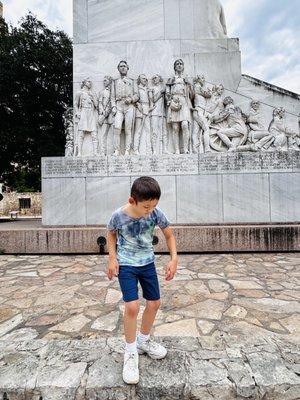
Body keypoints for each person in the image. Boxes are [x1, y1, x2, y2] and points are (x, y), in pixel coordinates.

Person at [106, 176, 178, 385]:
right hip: (127, 264)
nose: (150, 211)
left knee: (154, 303)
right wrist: (112, 258)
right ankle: (130, 352)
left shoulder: (156, 213)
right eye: (146, 207)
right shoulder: (118, 216)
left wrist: (174, 259)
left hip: (147, 263)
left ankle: (143, 341)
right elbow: (110, 234)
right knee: (132, 306)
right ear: (132, 201)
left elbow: (169, 235)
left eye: (153, 206)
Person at [111, 61, 139, 156]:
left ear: (128, 68)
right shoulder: (114, 82)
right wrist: (113, 106)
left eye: (124, 66)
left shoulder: (132, 81)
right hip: (119, 105)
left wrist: (131, 99)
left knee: (128, 129)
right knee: (117, 128)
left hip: (129, 106)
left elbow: (137, 95)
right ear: (118, 68)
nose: (123, 68)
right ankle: (116, 150)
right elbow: (112, 96)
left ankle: (127, 150)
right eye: (121, 66)